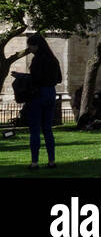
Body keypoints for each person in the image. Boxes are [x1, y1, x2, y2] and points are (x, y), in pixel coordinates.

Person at [16, 34, 61, 169]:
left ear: (36, 45)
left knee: (35, 129)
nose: (29, 48)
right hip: (50, 93)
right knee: (47, 129)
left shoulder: (37, 60)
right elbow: (59, 79)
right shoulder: (53, 59)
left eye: (30, 45)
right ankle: (51, 161)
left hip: (38, 94)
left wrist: (21, 76)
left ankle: (34, 162)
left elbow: (35, 79)